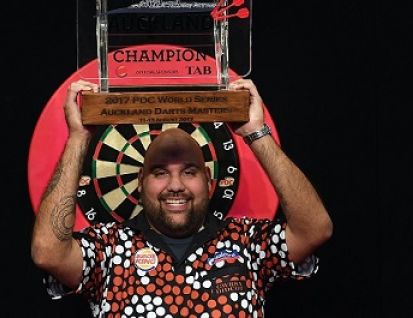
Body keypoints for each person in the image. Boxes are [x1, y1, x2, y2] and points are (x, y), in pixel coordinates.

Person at [31, 79, 333, 317]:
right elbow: (48, 253)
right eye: (160, 172)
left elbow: (315, 229)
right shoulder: (109, 247)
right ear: (140, 182)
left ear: (209, 182)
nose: (175, 185)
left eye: (189, 171)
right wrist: (78, 138)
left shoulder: (247, 241)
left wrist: (256, 132)